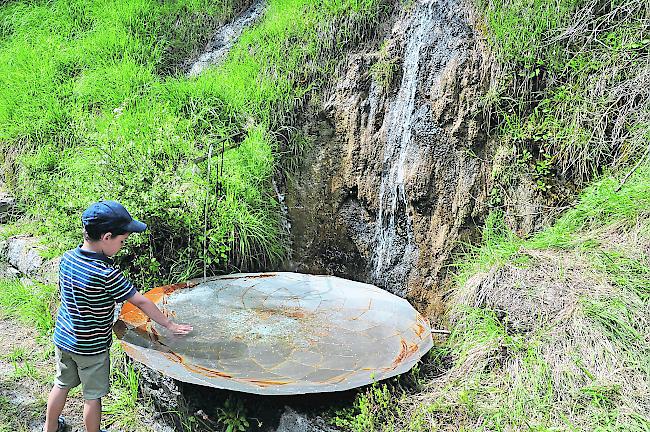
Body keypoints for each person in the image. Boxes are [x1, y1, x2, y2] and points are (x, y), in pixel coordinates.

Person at [43, 200, 193, 432]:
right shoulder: (106, 274)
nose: (122, 246)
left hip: (64, 339)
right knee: (92, 397)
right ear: (106, 237)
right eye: (121, 241)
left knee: (61, 384)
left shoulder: (67, 259)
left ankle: (49, 427)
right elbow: (141, 301)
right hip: (91, 347)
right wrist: (168, 324)